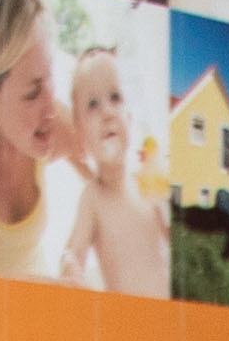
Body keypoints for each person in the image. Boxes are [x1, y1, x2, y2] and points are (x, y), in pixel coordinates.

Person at [0, 0, 76, 284]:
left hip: (36, 302)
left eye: (51, 78)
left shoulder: (51, 121)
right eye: (32, 93)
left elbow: (114, 172)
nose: (50, 107)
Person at [61, 48, 170, 297]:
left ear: (130, 119)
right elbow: (74, 252)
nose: (108, 112)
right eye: (93, 104)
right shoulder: (93, 198)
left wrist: (164, 205)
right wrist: (70, 263)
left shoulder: (147, 183)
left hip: (166, 319)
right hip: (126, 325)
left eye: (115, 98)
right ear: (80, 138)